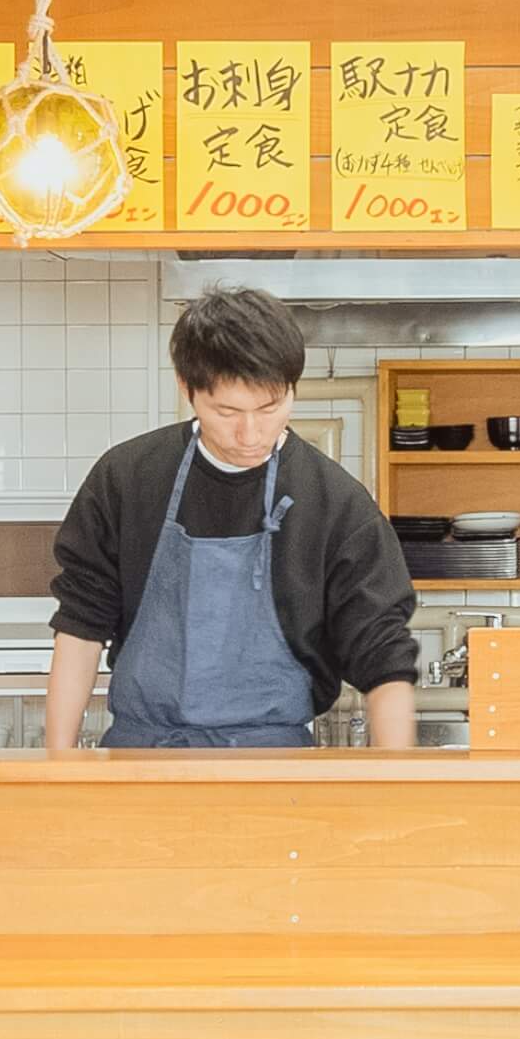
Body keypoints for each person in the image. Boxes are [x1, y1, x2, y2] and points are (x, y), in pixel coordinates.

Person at [46, 288, 417, 749]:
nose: (250, 434)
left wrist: (396, 781)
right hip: (140, 760)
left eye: (270, 408)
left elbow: (382, 654)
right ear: (186, 387)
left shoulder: (336, 502)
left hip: (275, 769)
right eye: (227, 411)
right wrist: (58, 764)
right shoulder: (127, 478)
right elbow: (81, 624)